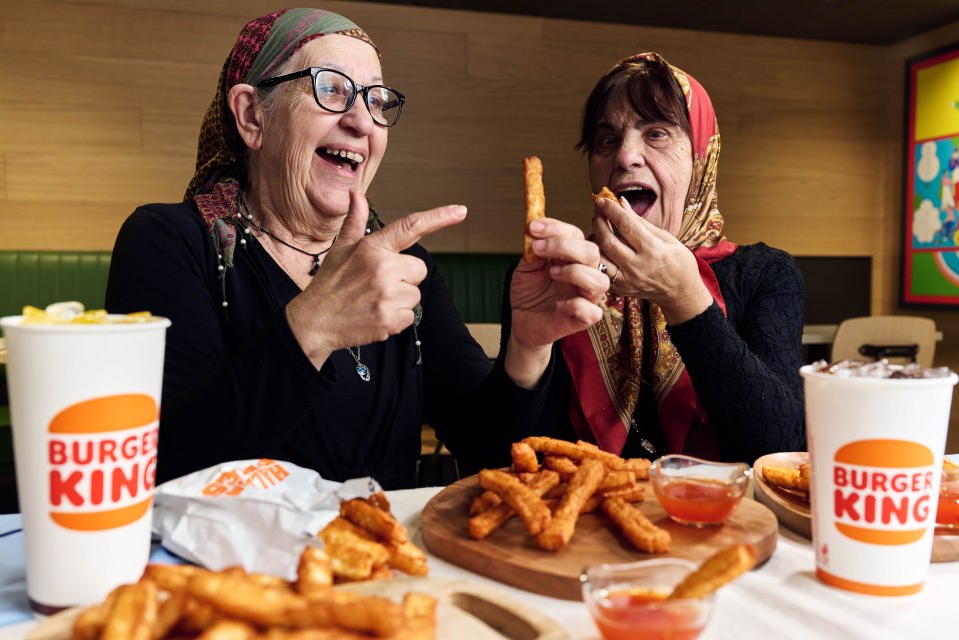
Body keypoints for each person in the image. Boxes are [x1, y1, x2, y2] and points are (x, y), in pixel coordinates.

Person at [105, 8, 608, 487]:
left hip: (384, 567)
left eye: (376, 101)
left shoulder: (403, 267)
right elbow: (156, 466)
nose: (362, 123)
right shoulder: (169, 242)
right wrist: (314, 324)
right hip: (231, 574)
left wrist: (527, 348)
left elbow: (492, 450)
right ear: (251, 116)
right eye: (331, 90)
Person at [501, 52, 806, 463]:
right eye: (607, 140)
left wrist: (685, 299)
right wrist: (529, 351)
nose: (625, 156)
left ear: (701, 158)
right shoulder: (553, 278)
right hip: (587, 522)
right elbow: (510, 459)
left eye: (657, 133)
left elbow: (782, 450)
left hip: (722, 520)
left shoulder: (766, 273)